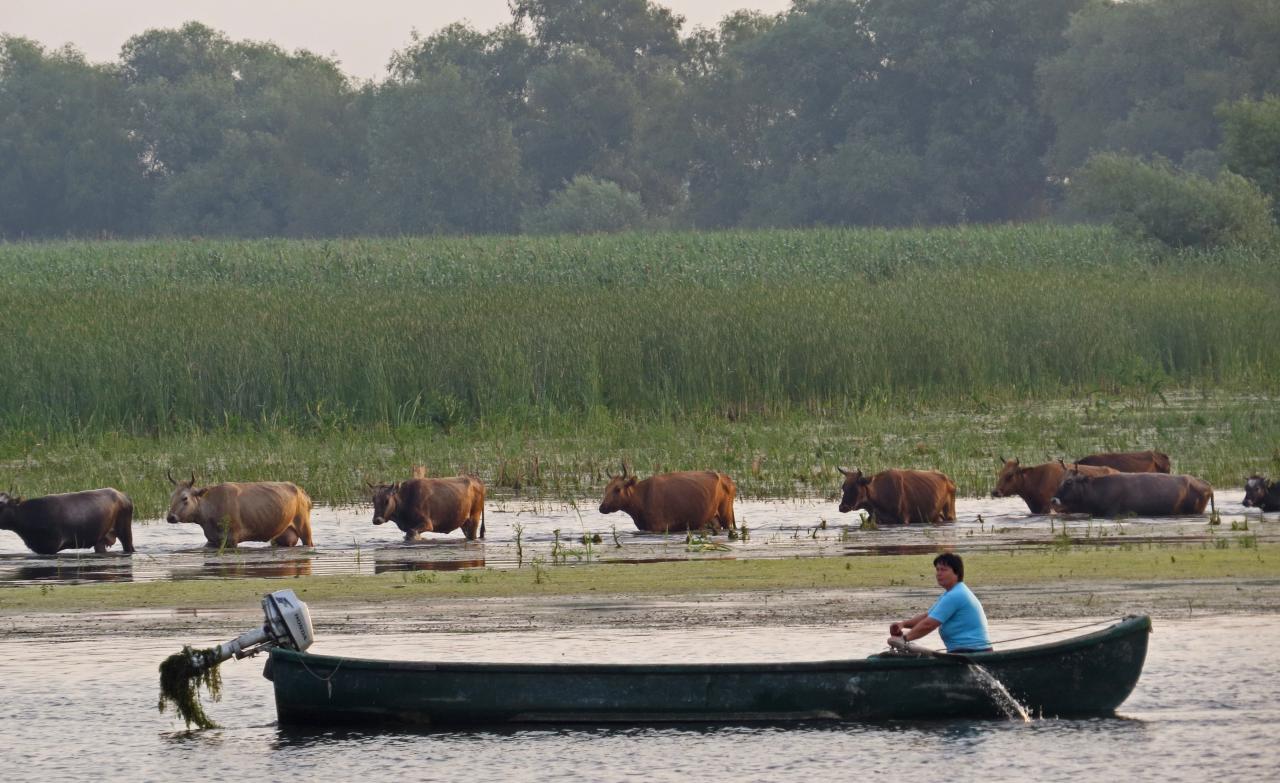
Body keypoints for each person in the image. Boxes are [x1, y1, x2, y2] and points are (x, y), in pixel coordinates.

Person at [888, 552, 992, 653]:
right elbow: (927, 617)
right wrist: (903, 624)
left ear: (956, 573)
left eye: (943, 570)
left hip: (973, 651)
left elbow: (929, 624)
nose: (938, 573)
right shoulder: (951, 593)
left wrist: (904, 639)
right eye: (937, 570)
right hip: (962, 652)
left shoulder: (956, 595)